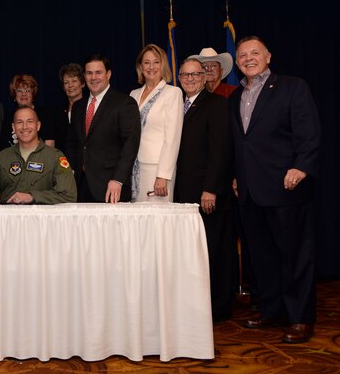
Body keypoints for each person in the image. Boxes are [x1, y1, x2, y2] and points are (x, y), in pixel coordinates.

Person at [231, 36, 321, 343]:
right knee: (263, 256)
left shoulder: (293, 87)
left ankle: (300, 318)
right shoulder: (235, 97)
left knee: (295, 255)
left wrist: (302, 167)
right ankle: (273, 311)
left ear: (268, 56)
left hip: (287, 186)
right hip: (250, 191)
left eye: (255, 53)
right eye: (243, 55)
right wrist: (235, 175)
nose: (248, 58)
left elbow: (309, 133)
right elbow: (240, 143)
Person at [174, 57, 236, 323]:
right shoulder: (177, 105)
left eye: (195, 74)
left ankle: (219, 307)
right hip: (183, 193)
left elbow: (221, 151)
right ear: (178, 77)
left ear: (204, 77)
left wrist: (211, 189)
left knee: (215, 249)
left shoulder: (217, 104)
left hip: (207, 193)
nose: (190, 79)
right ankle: (197, 303)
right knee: (193, 251)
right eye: (185, 75)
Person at [66, 54, 141, 203]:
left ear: (108, 74)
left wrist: (118, 180)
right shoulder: (78, 107)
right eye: (89, 73)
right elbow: (73, 143)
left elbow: (130, 145)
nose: (93, 77)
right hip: (80, 187)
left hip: (111, 187)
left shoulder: (125, 103)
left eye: (98, 72)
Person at [0, 106, 77, 204]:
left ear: (38, 126)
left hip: (41, 218)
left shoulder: (54, 157)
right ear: (13, 127)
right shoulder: (2, 157)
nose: (24, 127)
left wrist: (32, 197)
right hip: (9, 218)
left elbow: (68, 195)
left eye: (30, 121)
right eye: (19, 122)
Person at [129, 44, 183, 202]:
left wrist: (163, 175)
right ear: (140, 66)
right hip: (134, 168)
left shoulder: (173, 93)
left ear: (163, 65)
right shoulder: (133, 94)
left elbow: (172, 138)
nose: (151, 67)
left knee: (157, 221)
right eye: (146, 62)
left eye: (156, 62)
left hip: (157, 169)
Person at [3, 74, 55, 148]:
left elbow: (50, 146)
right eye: (19, 90)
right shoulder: (8, 117)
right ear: (15, 94)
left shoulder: (45, 114)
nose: (24, 94)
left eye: (28, 90)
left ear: (33, 94)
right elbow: (3, 147)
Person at [55, 63, 85, 155]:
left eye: (74, 81)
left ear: (83, 83)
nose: (70, 85)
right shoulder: (57, 112)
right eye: (66, 82)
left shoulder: (90, 107)